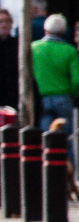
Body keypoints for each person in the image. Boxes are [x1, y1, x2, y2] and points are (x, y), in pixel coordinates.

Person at [31, 14, 79, 160]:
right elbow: (77, 80)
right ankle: (69, 177)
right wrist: (74, 95)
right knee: (67, 140)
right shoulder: (69, 50)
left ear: (46, 30)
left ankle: (49, 173)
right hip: (64, 98)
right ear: (63, 31)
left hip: (43, 98)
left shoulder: (34, 48)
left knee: (48, 140)